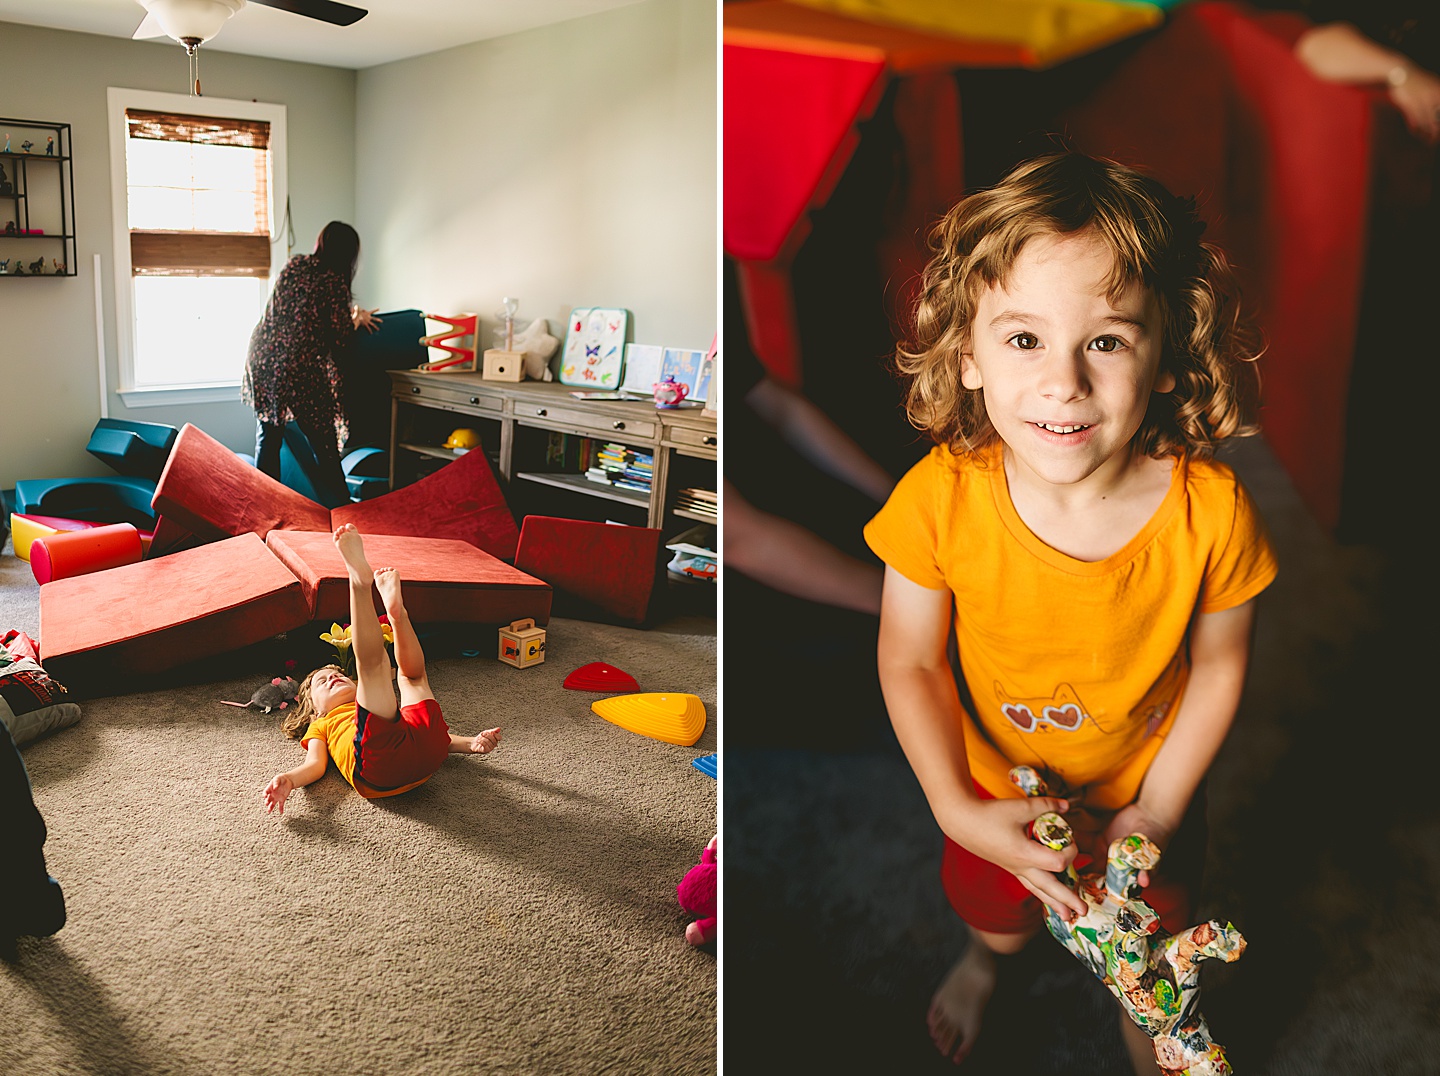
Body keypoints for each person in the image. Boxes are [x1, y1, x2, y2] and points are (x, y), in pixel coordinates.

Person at [862, 150, 1278, 1071]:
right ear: (966, 357)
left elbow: (1219, 664)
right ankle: (984, 965)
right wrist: (954, 809)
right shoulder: (939, 499)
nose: (1064, 382)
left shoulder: (1213, 510)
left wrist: (1162, 811)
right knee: (999, 919)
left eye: (1106, 340)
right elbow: (911, 661)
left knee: (1153, 974)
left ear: (1168, 354)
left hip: (1144, 795)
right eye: (1022, 340)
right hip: (993, 791)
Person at [263, 524, 501, 813]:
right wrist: (288, 779)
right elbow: (314, 765)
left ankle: (396, 614)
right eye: (323, 682)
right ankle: (360, 584)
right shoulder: (320, 724)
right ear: (315, 709)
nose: (333, 678)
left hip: (427, 749)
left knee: (411, 676)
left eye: (337, 675)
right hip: (381, 768)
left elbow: (437, 738)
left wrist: (471, 743)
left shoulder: (375, 708)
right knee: (377, 669)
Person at [723, 257, 897, 617]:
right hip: (761, 577)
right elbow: (735, 536)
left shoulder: (719, 272)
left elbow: (780, 408)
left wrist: (900, 498)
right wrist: (901, 605)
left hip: (786, 499)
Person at [241, 221, 382, 508]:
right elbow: (339, 337)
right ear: (348, 254)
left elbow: (301, 315)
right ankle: (342, 507)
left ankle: (263, 507)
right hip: (297, 365)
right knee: (323, 442)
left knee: (269, 435)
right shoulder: (334, 280)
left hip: (264, 356)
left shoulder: (295, 265)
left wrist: (347, 314)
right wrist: (357, 319)